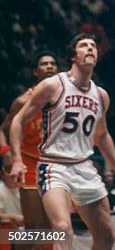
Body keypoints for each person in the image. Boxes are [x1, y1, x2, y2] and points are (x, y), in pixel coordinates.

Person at [9, 33, 115, 250]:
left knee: (105, 237)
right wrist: (13, 158)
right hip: (44, 164)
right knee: (49, 230)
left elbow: (102, 136)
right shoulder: (38, 92)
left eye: (94, 45)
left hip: (83, 166)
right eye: (84, 45)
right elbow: (10, 125)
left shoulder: (100, 95)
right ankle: (14, 242)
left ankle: (18, 242)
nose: (91, 49)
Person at [1, 52, 58, 250]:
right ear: (36, 71)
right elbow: (3, 129)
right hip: (30, 165)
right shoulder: (23, 101)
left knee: (51, 228)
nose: (49, 66)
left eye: (52, 63)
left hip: (56, 167)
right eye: (44, 64)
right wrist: (7, 152)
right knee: (34, 227)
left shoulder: (64, 98)